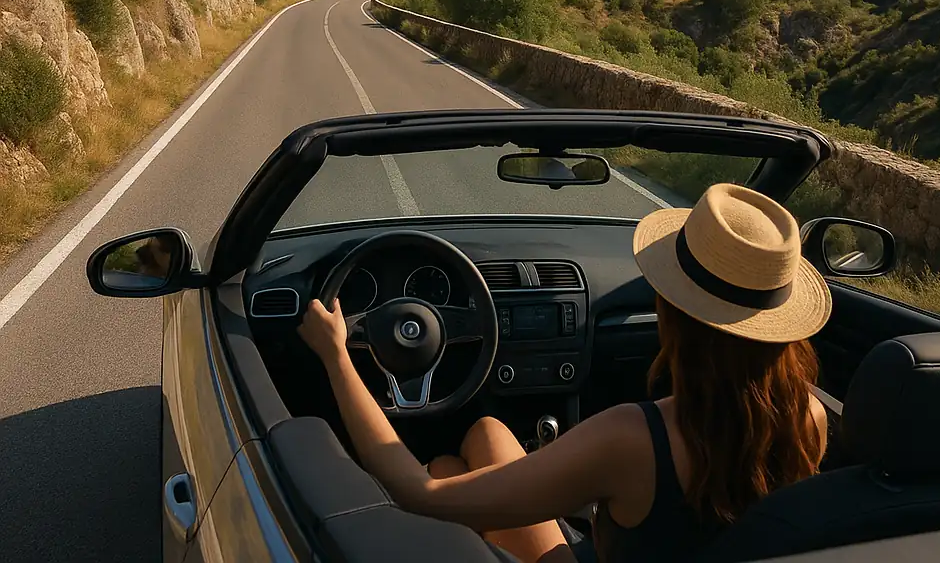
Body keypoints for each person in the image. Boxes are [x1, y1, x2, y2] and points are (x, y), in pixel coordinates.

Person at [298, 183, 832, 563]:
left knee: (439, 473)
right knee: (484, 433)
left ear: (671, 312)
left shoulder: (633, 438)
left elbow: (418, 497)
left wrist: (337, 356)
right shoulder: (809, 416)